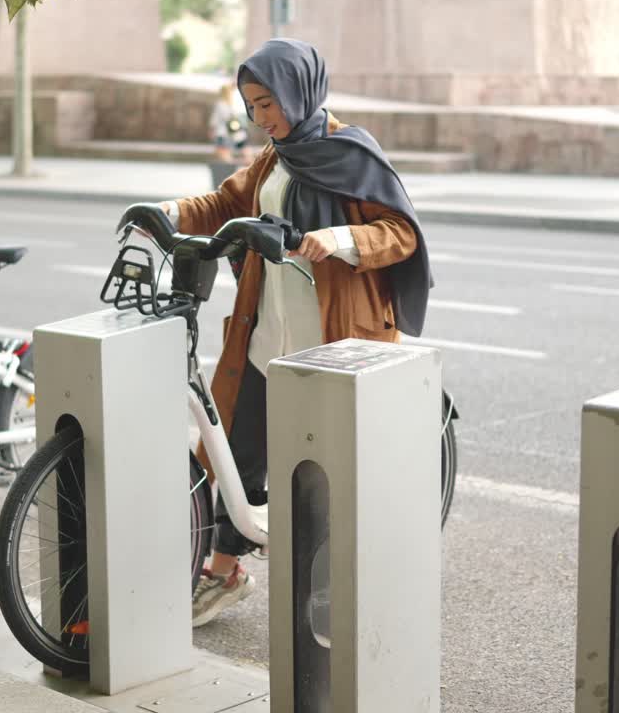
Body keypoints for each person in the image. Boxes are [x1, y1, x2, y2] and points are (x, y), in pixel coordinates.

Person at [160, 39, 433, 627]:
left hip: (332, 341)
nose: (260, 118)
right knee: (240, 456)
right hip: (266, 340)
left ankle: (351, 579)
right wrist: (170, 212)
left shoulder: (351, 153)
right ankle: (224, 571)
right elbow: (225, 202)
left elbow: (401, 235)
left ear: (297, 92)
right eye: (251, 106)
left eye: (267, 103)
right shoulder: (275, 156)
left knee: (332, 468)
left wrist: (338, 240)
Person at [209, 82, 249, 163]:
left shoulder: (221, 104)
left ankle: (231, 165)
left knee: (223, 150)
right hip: (233, 131)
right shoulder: (231, 103)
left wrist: (212, 129)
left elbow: (216, 119)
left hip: (223, 132)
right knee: (228, 150)